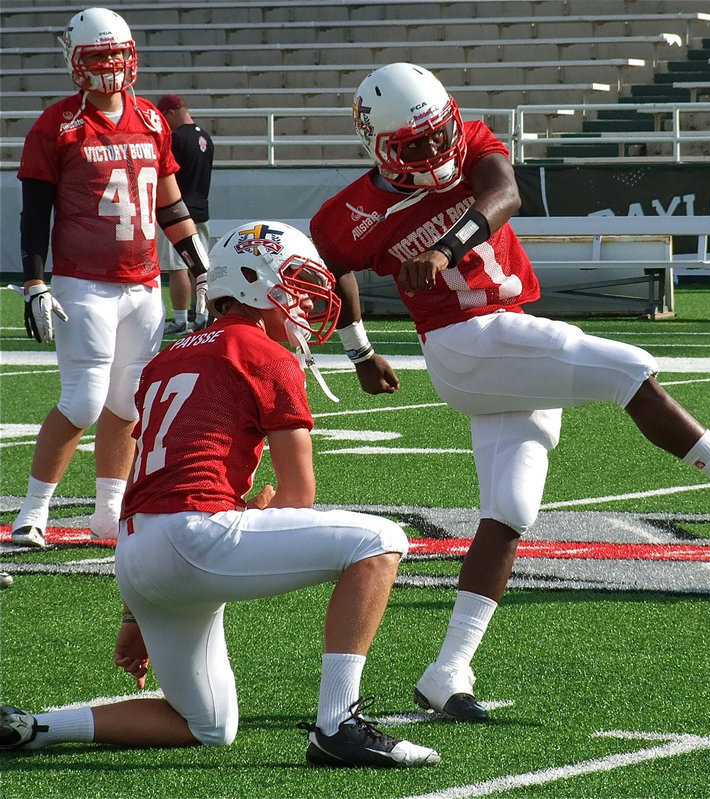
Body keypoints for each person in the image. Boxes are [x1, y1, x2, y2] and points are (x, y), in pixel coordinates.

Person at [309, 62, 710, 722]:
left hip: (507, 335)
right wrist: (360, 350)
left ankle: (447, 667)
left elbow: (505, 194)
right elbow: (330, 266)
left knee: (511, 511)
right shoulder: (348, 213)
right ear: (380, 148)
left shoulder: (474, 142)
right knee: (629, 367)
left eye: (438, 135)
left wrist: (447, 250)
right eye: (415, 146)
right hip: (463, 340)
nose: (434, 152)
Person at [0, 221, 440, 769]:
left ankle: (32, 727)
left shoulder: (169, 356)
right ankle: (338, 724)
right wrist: (249, 519)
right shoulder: (263, 353)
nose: (304, 304)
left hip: (138, 556)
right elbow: (299, 494)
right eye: (296, 286)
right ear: (258, 283)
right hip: (192, 540)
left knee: (209, 725)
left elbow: (153, 487)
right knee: (379, 540)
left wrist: (135, 612)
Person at [10, 7, 210, 549]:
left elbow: (170, 205)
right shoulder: (57, 125)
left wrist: (199, 265)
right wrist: (34, 282)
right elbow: (35, 215)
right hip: (84, 283)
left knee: (127, 401)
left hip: (143, 284)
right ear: (75, 62)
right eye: (98, 56)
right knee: (81, 400)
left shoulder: (150, 119)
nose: (110, 66)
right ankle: (33, 512)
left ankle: (108, 513)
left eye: (117, 54)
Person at [155, 94, 215, 335]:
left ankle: (180, 319)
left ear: (170, 112)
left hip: (178, 211)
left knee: (178, 265)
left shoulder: (176, 139)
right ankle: (202, 315)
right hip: (202, 208)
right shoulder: (205, 138)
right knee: (199, 265)